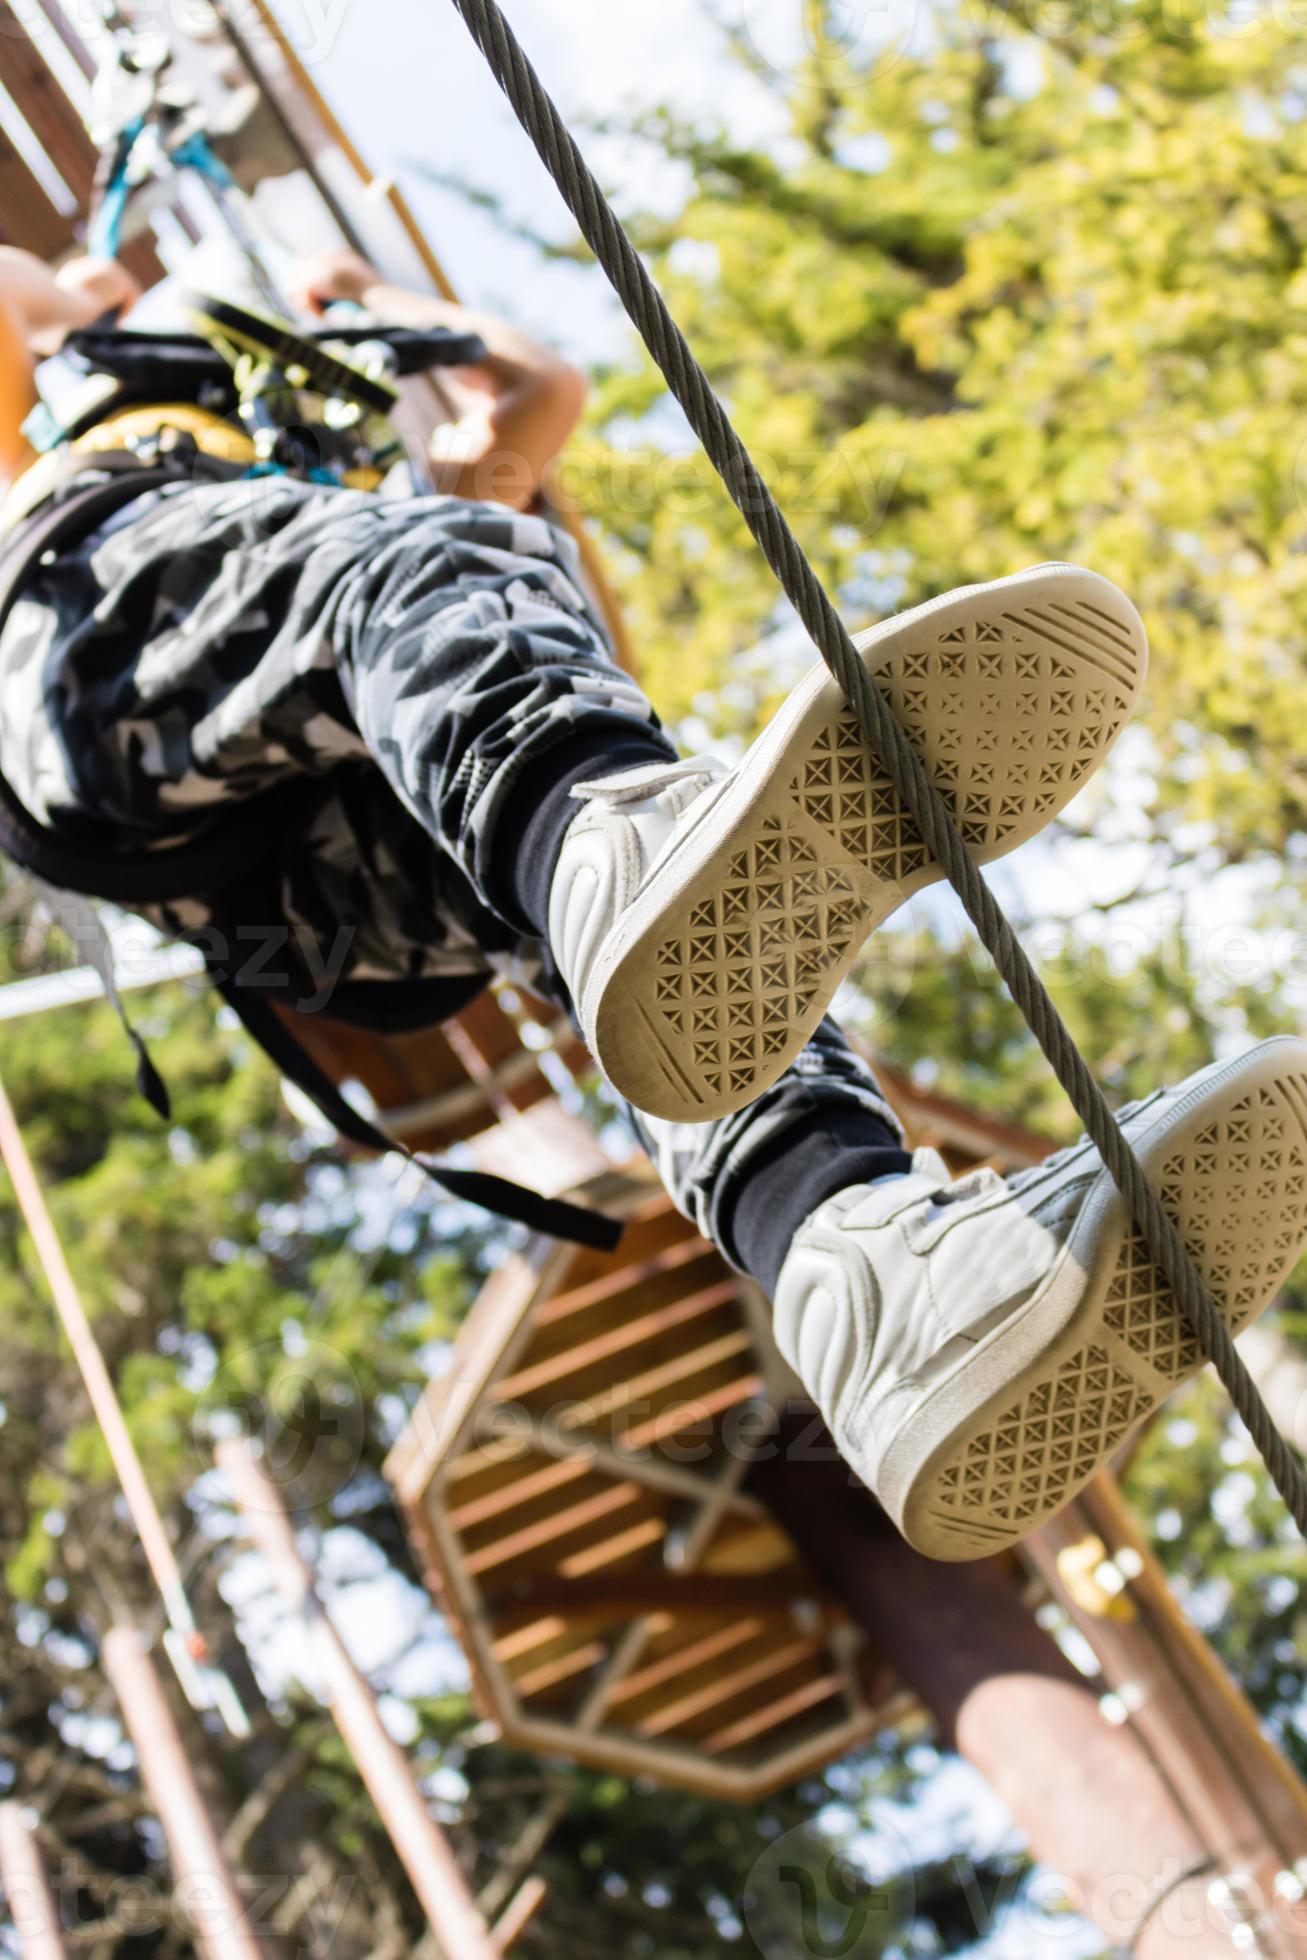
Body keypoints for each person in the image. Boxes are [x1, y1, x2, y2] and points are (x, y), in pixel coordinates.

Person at [2, 242, 1304, 1563]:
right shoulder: (108, 404)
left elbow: (537, 399)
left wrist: (380, 317)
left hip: (292, 860)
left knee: (660, 928)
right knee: (452, 600)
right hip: (67, 637)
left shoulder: (307, 476)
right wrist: (130, 301)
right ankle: (600, 845)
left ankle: (871, 1279)